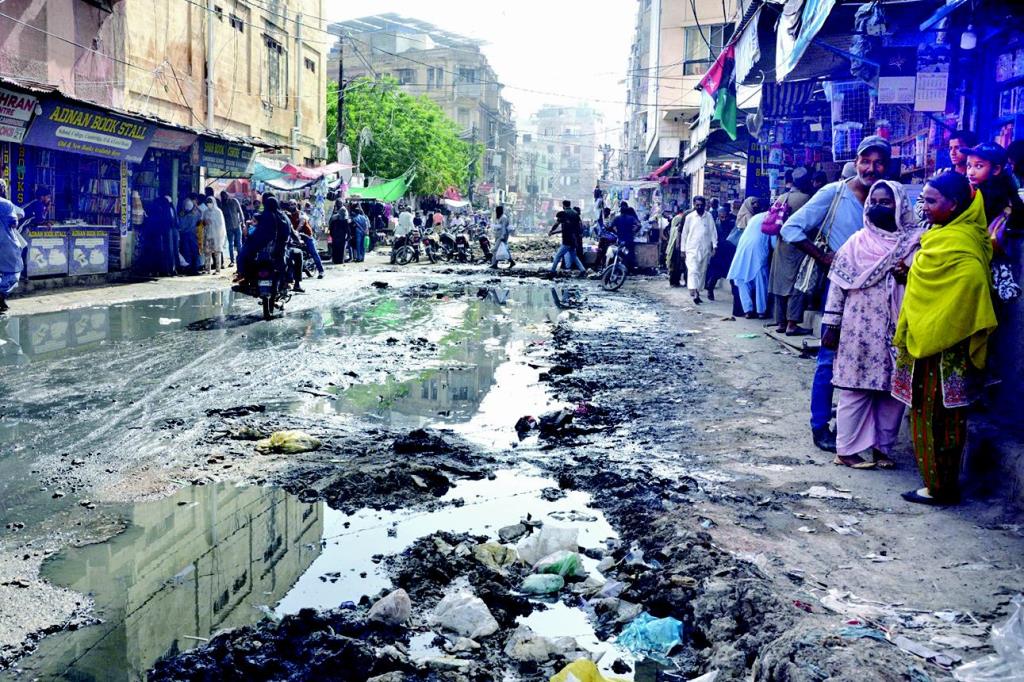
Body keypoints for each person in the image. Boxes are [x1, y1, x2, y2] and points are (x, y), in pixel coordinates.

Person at [781, 135, 892, 454]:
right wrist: (824, 257)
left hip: (881, 294)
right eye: (865, 161)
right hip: (842, 290)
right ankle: (820, 426)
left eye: (878, 163)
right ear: (856, 163)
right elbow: (790, 229)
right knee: (829, 358)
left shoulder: (888, 197)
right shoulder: (835, 192)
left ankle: (863, 430)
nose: (871, 168)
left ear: (886, 166)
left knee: (875, 359)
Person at [892, 172, 996, 505]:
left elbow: (972, 289)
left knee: (938, 419)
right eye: (923, 199)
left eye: (931, 201)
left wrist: (941, 326)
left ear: (954, 204)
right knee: (937, 417)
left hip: (945, 351)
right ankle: (939, 484)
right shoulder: (943, 237)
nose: (924, 207)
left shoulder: (962, 245)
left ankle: (939, 487)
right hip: (929, 342)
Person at [820, 180, 923, 469]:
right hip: (859, 329)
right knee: (855, 389)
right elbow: (838, 286)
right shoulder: (856, 243)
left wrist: (908, 275)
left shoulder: (916, 242)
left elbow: (927, 278)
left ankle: (883, 450)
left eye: (885, 202)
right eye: (873, 202)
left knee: (893, 391)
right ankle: (846, 450)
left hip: (899, 326)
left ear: (900, 205)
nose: (877, 207)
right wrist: (831, 324)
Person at [768, 167, 816, 336]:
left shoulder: (781, 197)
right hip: (797, 246)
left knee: (780, 283)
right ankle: (792, 324)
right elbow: (811, 224)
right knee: (797, 283)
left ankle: (781, 322)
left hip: (780, 245)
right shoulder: (805, 199)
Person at [727, 211, 772, 318]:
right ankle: (761, 311)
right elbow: (774, 243)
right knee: (761, 282)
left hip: (742, 250)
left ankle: (748, 310)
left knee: (742, 279)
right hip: (758, 252)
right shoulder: (773, 218)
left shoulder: (755, 217)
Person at [679, 195, 716, 304]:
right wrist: (682, 249)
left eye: (701, 205)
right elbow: (684, 234)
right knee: (693, 270)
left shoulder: (708, 216)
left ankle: (698, 290)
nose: (699, 207)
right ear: (694, 205)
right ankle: (694, 292)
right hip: (691, 249)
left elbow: (713, 232)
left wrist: (715, 246)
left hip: (705, 249)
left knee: (702, 271)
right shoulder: (689, 217)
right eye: (697, 205)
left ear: (705, 205)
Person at [705, 205, 736, 300]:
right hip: (719, 252)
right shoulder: (715, 224)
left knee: (732, 273)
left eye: (724, 214)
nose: (723, 216)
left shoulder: (732, 223)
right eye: (721, 214)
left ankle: (735, 293)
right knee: (715, 273)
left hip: (729, 252)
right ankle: (710, 289)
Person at [0, 198, 24, 313]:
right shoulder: (6, 203)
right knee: (14, 273)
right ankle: (1, 296)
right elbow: (14, 223)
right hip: (5, 244)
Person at [549, 199, 585, 274]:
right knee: (573, 256)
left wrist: (551, 231)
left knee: (558, 256)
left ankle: (552, 271)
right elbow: (579, 226)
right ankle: (582, 270)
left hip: (567, 239)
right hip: (574, 239)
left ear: (563, 205)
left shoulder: (564, 214)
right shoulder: (575, 213)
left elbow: (557, 224)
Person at [291, 203, 324, 278]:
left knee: (313, 252)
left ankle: (321, 271)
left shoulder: (301, 213)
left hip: (306, 236)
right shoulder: (290, 215)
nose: (290, 206)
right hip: (296, 237)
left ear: (296, 205)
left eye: (292, 204)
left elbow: (301, 223)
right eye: (289, 205)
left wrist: (296, 231)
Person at [610, 202, 640, 272]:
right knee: (630, 254)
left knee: (620, 255)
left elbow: (612, 227)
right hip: (629, 239)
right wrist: (633, 231)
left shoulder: (617, 218)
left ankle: (621, 269)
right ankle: (630, 270)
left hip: (620, 240)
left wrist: (617, 232)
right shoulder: (631, 218)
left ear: (620, 211)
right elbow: (638, 225)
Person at [202, 195, 227, 274]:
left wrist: (213, 222)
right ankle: (207, 269)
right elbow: (202, 223)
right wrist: (205, 222)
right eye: (207, 202)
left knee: (217, 253)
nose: (209, 204)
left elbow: (221, 224)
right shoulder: (205, 212)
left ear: (213, 203)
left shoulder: (218, 212)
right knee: (207, 253)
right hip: (208, 235)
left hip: (216, 235)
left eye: (210, 202)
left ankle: (217, 270)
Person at [178, 195, 202, 274]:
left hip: (186, 235)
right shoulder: (196, 212)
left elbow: (181, 226)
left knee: (187, 252)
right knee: (193, 252)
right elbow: (200, 223)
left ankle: (189, 268)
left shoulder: (183, 214)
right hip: (192, 234)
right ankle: (194, 268)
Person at [221, 191, 245, 268]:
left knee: (239, 244)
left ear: (227, 195)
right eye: (223, 196)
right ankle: (232, 261)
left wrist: (243, 222)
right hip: (228, 227)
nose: (224, 197)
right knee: (230, 244)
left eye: (225, 195)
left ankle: (240, 259)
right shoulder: (222, 205)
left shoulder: (234, 201)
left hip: (237, 225)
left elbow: (240, 212)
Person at [666, 206, 687, 287]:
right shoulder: (678, 226)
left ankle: (674, 281)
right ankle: (675, 281)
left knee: (675, 265)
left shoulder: (674, 226)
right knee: (677, 265)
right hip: (678, 247)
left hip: (674, 247)